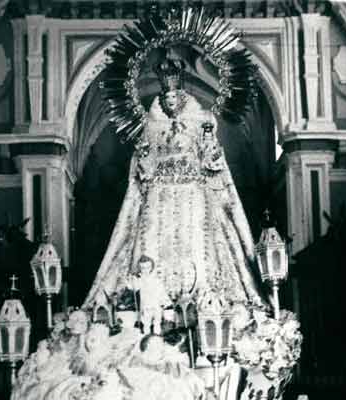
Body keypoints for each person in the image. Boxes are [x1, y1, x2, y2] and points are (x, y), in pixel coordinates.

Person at [84, 56, 266, 312]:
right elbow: (142, 171)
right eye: (166, 97)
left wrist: (210, 148)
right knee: (150, 243)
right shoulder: (150, 126)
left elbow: (213, 163)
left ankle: (202, 300)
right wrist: (144, 157)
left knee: (199, 244)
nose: (170, 101)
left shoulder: (201, 121)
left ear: (182, 96)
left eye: (174, 96)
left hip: (194, 192)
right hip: (158, 197)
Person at [132, 254, 171, 334]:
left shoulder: (156, 279)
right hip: (146, 304)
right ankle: (146, 337)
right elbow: (135, 288)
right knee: (146, 323)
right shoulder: (140, 279)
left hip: (156, 303)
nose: (146, 270)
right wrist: (133, 280)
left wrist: (164, 301)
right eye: (143, 268)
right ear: (140, 268)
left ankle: (157, 337)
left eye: (148, 267)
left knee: (157, 322)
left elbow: (161, 290)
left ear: (151, 267)